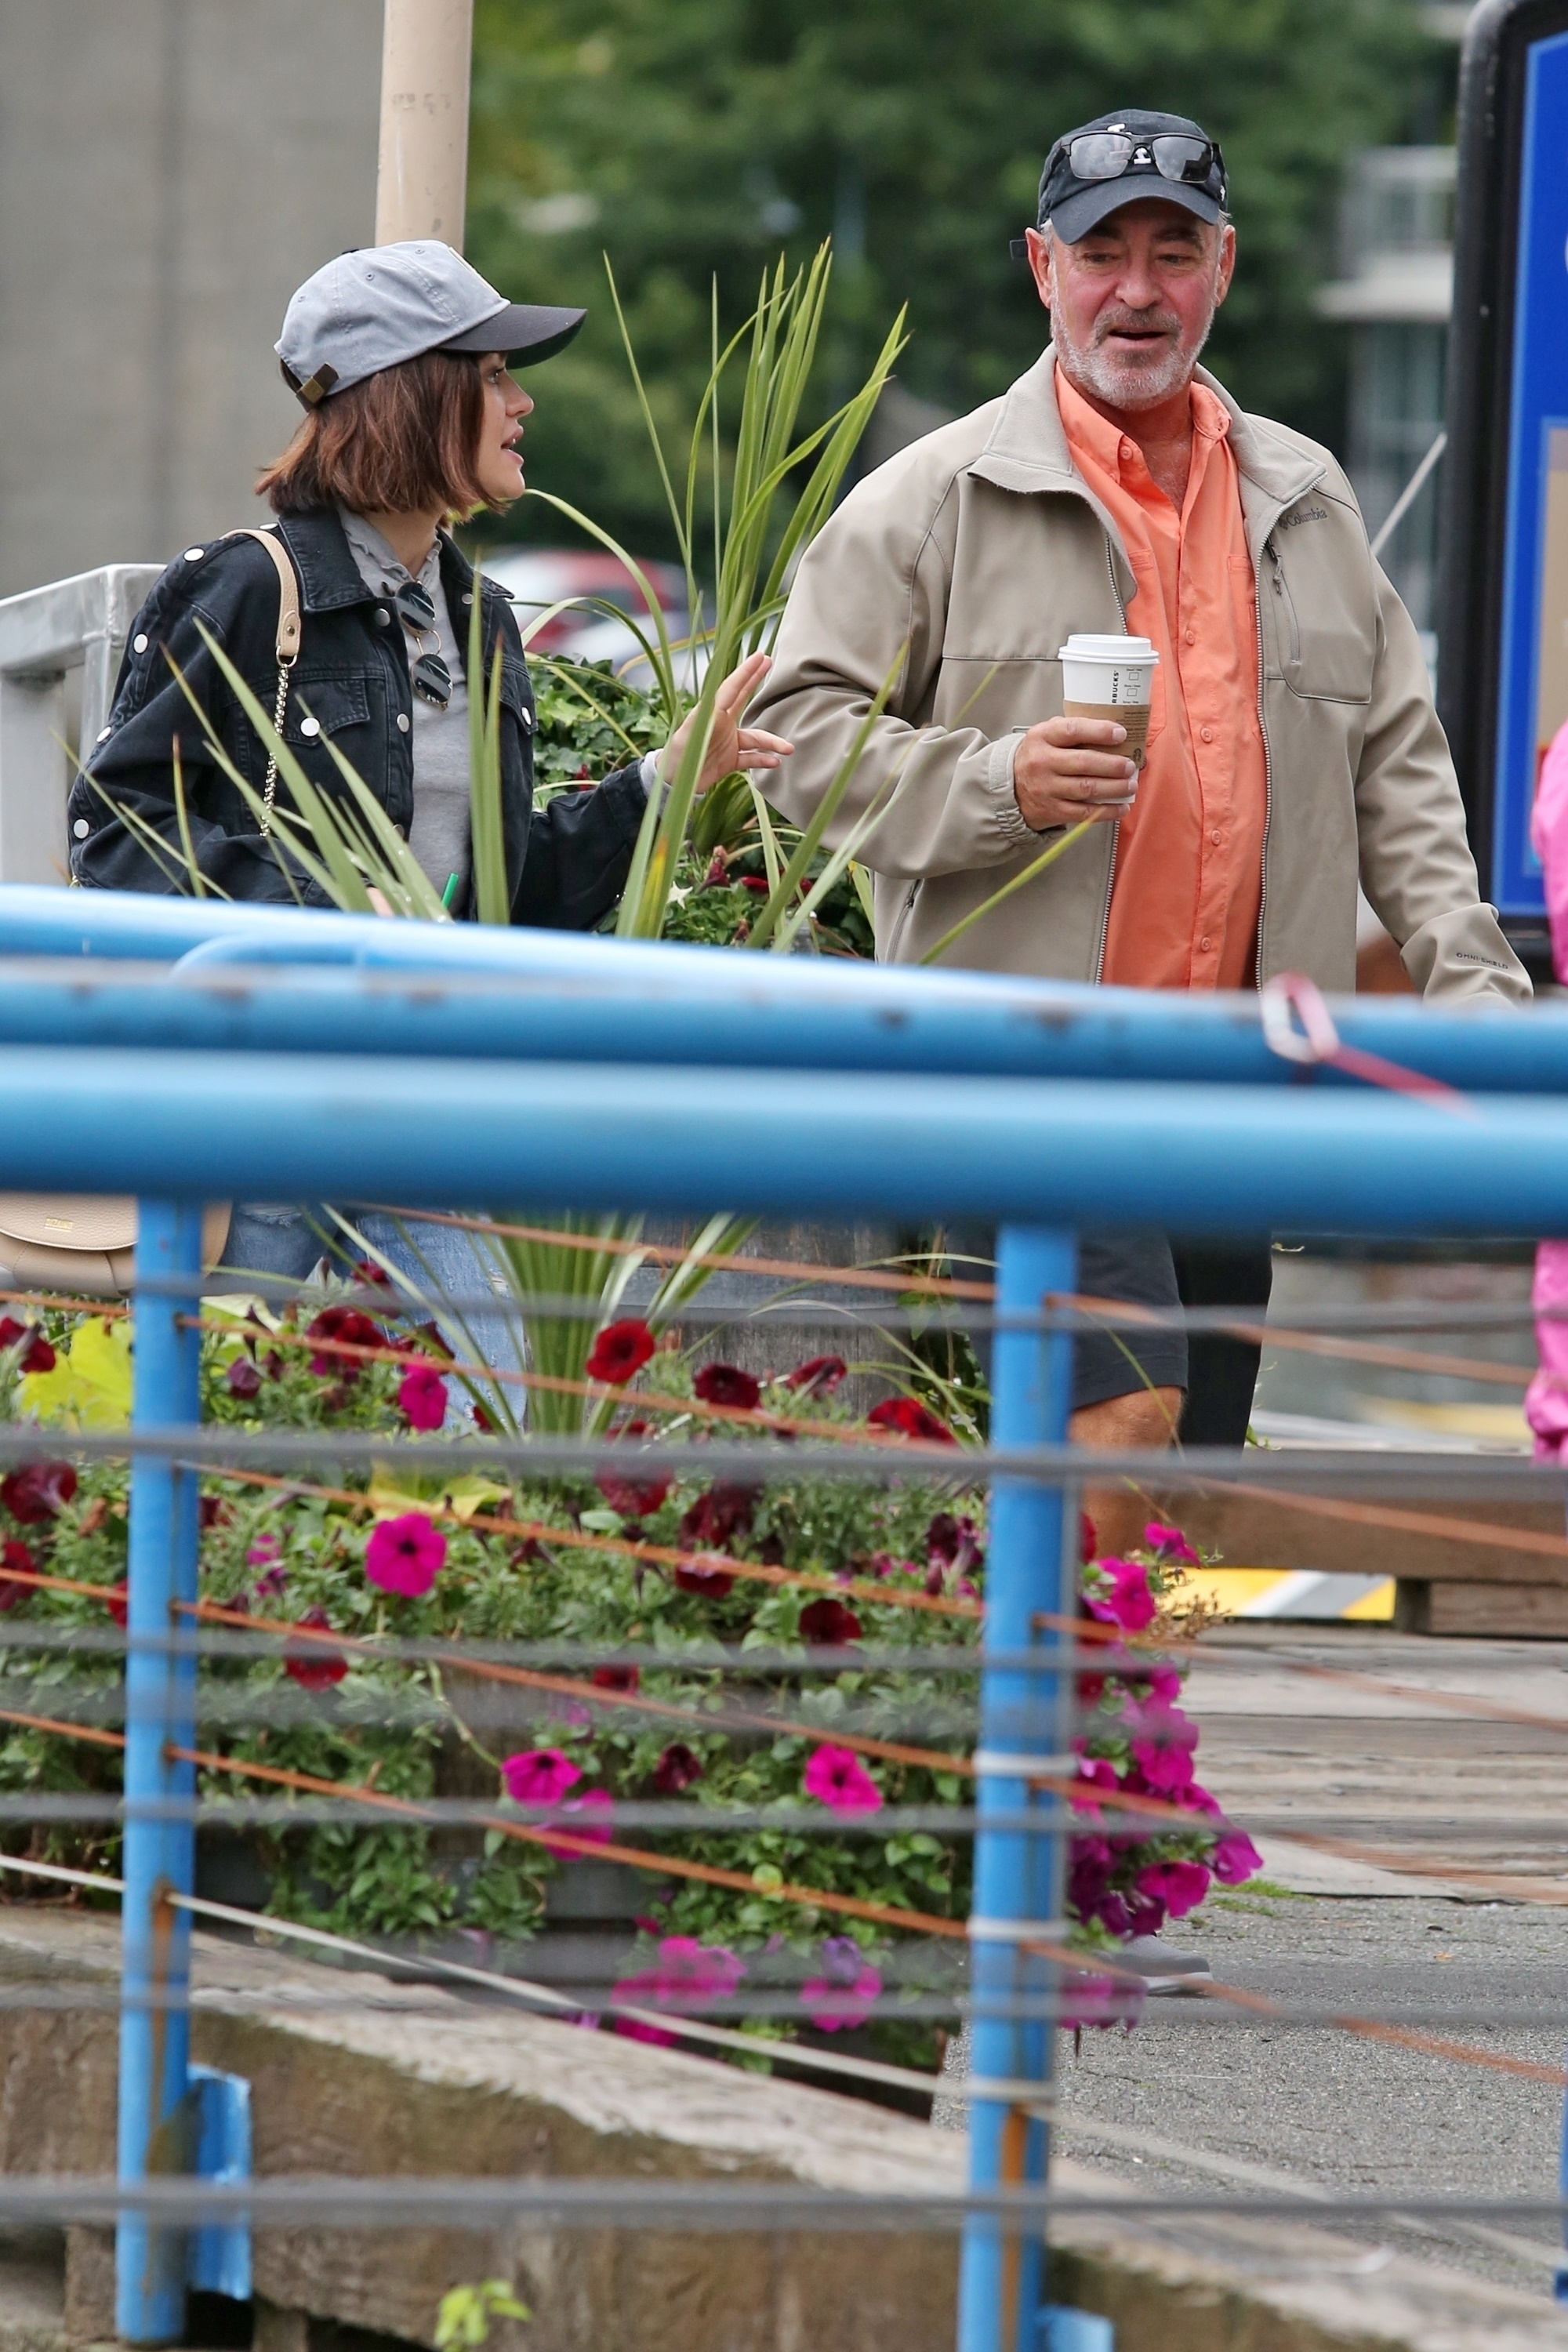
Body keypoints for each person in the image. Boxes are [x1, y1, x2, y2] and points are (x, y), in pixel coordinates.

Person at [751, 108, 1530, 1544]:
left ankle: (1055, 1688)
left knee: (1175, 1496)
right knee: (1126, 1414)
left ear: (1223, 270)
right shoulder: (936, 494)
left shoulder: (1307, 496)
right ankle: (1034, 1684)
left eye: (1175, 252)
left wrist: (1486, 1012)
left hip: (1235, 1088)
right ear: (1040, 267)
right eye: (1102, 252)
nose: (1139, 290)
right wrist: (998, 784)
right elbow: (787, 736)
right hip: (1022, 1083)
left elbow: (1403, 779)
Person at [70, 240, 789, 1298]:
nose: (522, 403)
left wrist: (661, 784)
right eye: (492, 375)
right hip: (262, 1112)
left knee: (495, 1382)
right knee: (241, 1382)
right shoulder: (248, 588)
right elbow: (115, 835)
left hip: (424, 1111)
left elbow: (505, 897)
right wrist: (325, 909)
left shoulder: (479, 618)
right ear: (410, 395)